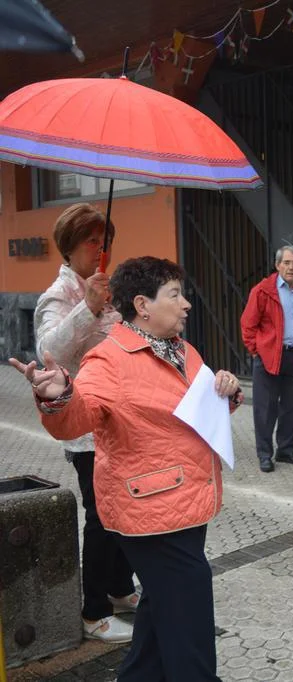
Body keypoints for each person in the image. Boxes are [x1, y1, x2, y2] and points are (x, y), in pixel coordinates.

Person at [11, 256, 243, 682]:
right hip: (150, 511)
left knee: (160, 613)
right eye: (175, 295)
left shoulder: (182, 349)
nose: (186, 304)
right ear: (142, 305)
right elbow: (77, 418)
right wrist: (58, 396)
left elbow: (195, 408)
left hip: (188, 502)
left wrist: (225, 390)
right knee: (189, 621)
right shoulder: (109, 359)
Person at [34, 203, 137, 643]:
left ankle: (120, 588)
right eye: (92, 241)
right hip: (86, 430)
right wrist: (87, 308)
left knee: (123, 510)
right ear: (70, 246)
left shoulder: (105, 288)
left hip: (119, 422)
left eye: (105, 240)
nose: (100, 248)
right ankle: (94, 612)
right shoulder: (59, 295)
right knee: (100, 517)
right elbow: (48, 351)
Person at [240, 245, 293, 473]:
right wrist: (257, 350)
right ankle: (265, 454)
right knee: (265, 408)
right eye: (286, 263)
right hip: (269, 356)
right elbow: (248, 324)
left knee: (292, 407)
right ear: (277, 265)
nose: (291, 267)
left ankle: (286, 450)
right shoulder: (262, 290)